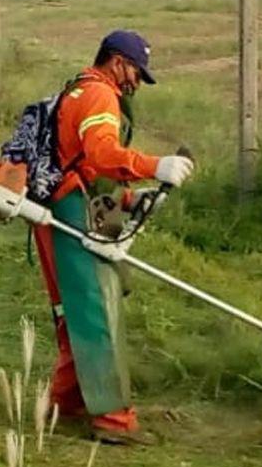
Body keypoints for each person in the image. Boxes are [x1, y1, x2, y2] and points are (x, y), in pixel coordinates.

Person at [32, 29, 195, 444]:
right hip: (66, 210)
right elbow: (101, 153)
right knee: (96, 310)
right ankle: (114, 421)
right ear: (118, 62)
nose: (136, 83)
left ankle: (64, 404)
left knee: (72, 311)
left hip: (54, 206)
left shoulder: (76, 89)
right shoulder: (101, 95)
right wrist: (155, 165)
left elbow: (78, 165)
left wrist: (126, 198)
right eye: (137, 73)